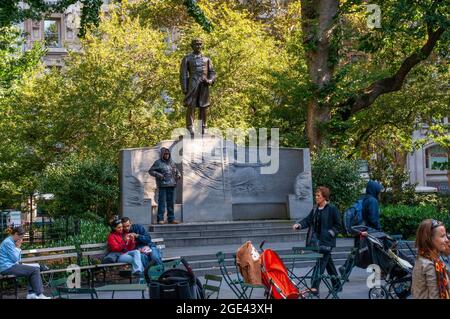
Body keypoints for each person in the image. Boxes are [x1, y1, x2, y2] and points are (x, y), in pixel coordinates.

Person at [292, 186, 341, 294]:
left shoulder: (332, 209)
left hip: (327, 242)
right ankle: (337, 285)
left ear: (324, 197)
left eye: (318, 195)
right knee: (328, 263)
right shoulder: (315, 209)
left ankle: (314, 287)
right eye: (316, 195)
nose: (316, 197)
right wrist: (299, 225)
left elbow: (338, 225)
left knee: (321, 262)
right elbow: (308, 220)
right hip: (317, 242)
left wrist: (330, 233)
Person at [0, 226, 51, 299]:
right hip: (6, 267)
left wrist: (17, 248)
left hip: (10, 266)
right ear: (16, 234)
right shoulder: (8, 242)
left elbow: (18, 259)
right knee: (35, 270)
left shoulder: (11, 241)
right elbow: (15, 259)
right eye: (20, 236)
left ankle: (31, 293)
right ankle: (39, 294)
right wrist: (18, 247)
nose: (21, 239)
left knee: (34, 268)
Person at [180, 38, 216, 135]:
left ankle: (203, 127)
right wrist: (185, 89)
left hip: (204, 86)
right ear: (192, 46)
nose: (198, 46)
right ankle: (190, 127)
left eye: (200, 44)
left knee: (203, 106)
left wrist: (210, 81)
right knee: (191, 106)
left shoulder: (207, 59)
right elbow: (183, 75)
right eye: (196, 44)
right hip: (192, 85)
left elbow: (212, 73)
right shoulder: (187, 58)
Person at [412, 219, 450, 299]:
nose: (447, 240)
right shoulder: (430, 265)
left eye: (446, 235)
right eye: (442, 236)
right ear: (429, 239)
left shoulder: (423, 259)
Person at [148, 147, 182, 225]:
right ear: (162, 154)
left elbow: (176, 170)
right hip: (162, 185)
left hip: (172, 184)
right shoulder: (158, 162)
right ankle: (160, 219)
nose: (167, 155)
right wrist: (159, 175)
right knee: (162, 202)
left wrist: (179, 174)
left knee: (171, 202)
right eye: (165, 154)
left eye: (168, 154)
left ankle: (171, 218)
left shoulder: (172, 162)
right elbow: (151, 171)